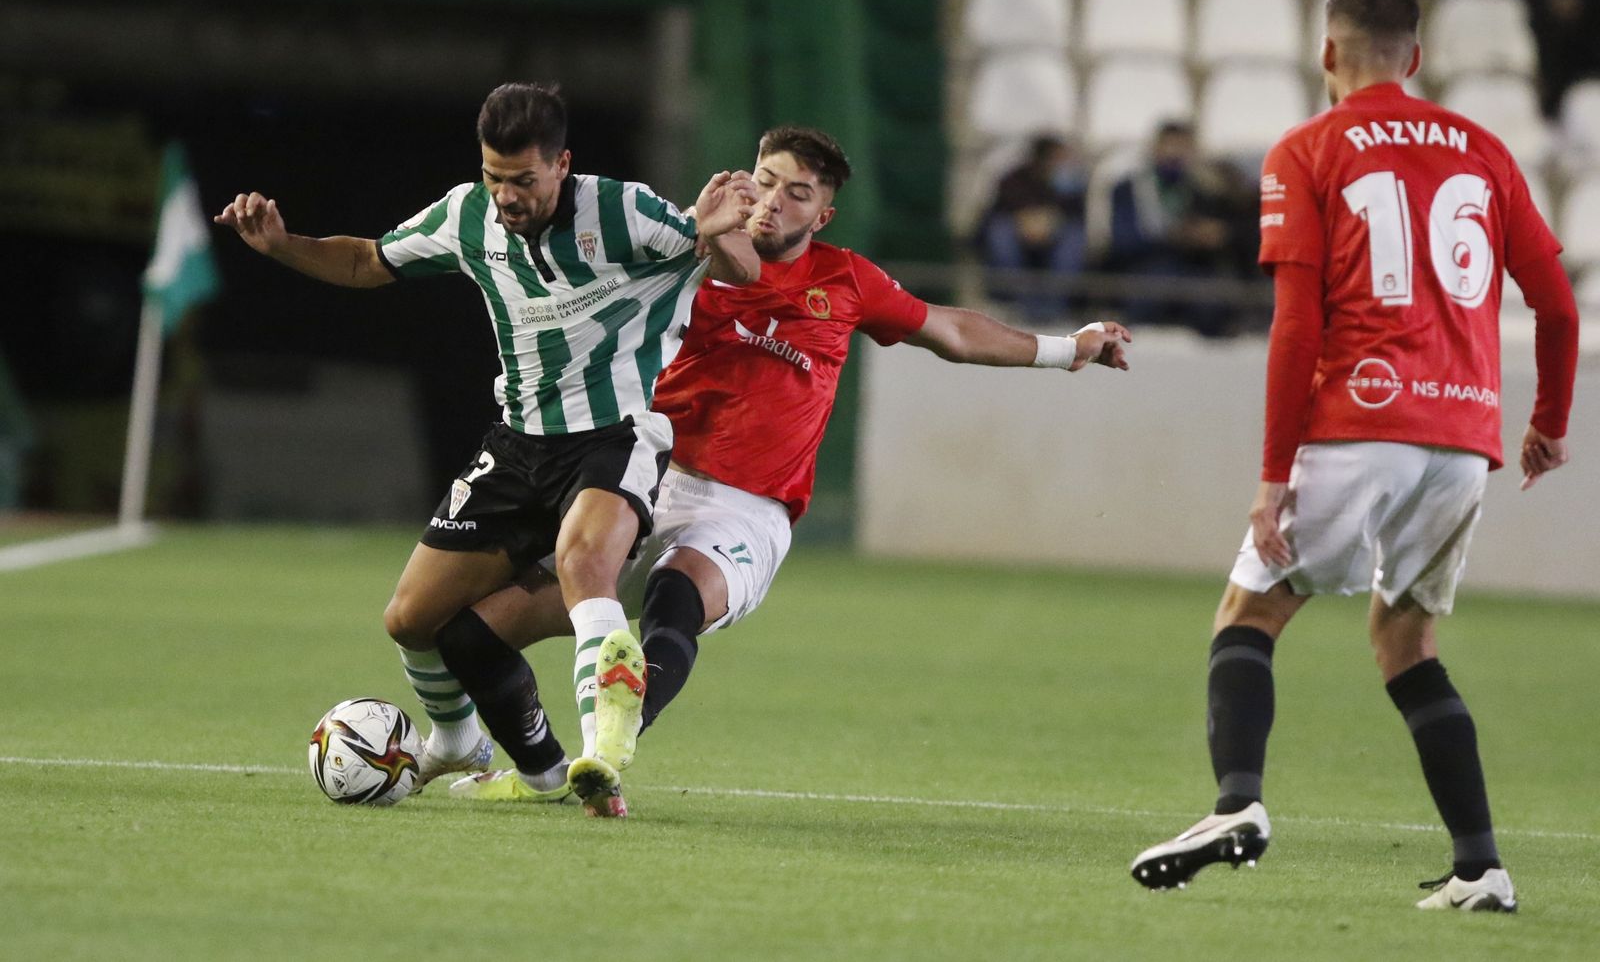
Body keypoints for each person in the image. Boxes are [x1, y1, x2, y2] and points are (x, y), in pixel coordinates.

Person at [445, 124, 1132, 815]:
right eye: (767, 180)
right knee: (471, 633)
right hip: (638, 478)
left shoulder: (846, 279)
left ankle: (610, 748)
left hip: (745, 508)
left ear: (822, 214)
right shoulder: (680, 253)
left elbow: (950, 330)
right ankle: (534, 769)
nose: (774, 201)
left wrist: (1066, 347)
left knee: (676, 593)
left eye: (798, 193)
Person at [1128, 0, 1579, 912]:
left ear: (1328, 53)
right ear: (1414, 58)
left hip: (1357, 425)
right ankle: (1480, 866)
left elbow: (1296, 327)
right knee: (1405, 637)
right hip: (1463, 437)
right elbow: (1559, 305)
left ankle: (1236, 804)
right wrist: (1550, 424)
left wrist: (1271, 475)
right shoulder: (1485, 149)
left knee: (1249, 614)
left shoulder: (1307, 149)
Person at [214, 82, 760, 816]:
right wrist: (283, 245)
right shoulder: (467, 215)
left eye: (524, 180)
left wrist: (722, 232)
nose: (507, 195)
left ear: (562, 164)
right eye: (494, 176)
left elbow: (738, 268)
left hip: (612, 437)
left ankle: (604, 755)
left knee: (584, 564)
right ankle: (481, 748)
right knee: (411, 619)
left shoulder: (623, 210)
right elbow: (369, 261)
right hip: (516, 451)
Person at [1091, 120, 1253, 335]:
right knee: (1151, 293)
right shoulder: (1129, 189)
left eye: (1182, 148)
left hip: (1193, 269)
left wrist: (1214, 236)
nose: (1174, 154)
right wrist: (1172, 237)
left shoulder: (1201, 189)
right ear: (1155, 148)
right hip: (1145, 267)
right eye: (1169, 146)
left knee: (1212, 300)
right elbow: (1121, 240)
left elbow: (1230, 233)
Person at [977, 133, 1090, 322]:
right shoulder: (1013, 178)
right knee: (1000, 233)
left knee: (1075, 236)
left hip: (1055, 241)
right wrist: (1025, 220)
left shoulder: (1071, 184)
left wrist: (1051, 221)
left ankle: (1055, 303)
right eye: (1058, 158)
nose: (1064, 163)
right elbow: (996, 212)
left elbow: (1075, 213)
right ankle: (1018, 301)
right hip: (1019, 240)